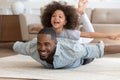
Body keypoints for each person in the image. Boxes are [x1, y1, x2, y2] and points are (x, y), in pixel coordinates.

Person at [31, 1, 120, 65]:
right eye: (53, 16)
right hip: (68, 47)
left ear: (65, 21)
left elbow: (89, 35)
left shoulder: (70, 33)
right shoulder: (49, 31)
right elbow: (42, 28)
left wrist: (110, 36)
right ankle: (80, 12)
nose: (56, 18)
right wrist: (35, 27)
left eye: (60, 16)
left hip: (79, 43)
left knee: (87, 55)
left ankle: (82, 13)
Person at [12, 28, 120, 69]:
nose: (42, 48)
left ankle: (97, 44)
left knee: (89, 55)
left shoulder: (74, 50)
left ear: (55, 43)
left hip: (79, 59)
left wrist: (102, 44)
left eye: (46, 44)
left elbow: (103, 50)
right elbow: (15, 45)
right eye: (40, 44)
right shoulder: (32, 47)